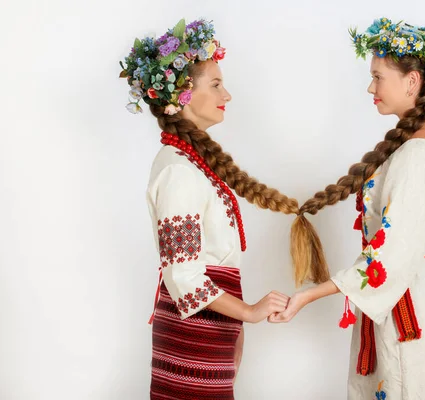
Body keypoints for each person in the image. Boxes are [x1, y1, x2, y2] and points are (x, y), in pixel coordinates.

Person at [271, 17, 425, 400]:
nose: (370, 87)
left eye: (378, 77)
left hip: (410, 307)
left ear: (412, 82)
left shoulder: (420, 156)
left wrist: (309, 294)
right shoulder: (405, 150)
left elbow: (388, 254)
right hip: (392, 299)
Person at [120, 18, 297, 399]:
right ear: (182, 94)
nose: (227, 95)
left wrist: (236, 325)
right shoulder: (177, 171)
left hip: (211, 324)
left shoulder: (192, 163)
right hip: (193, 331)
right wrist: (248, 311)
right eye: (216, 84)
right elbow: (183, 274)